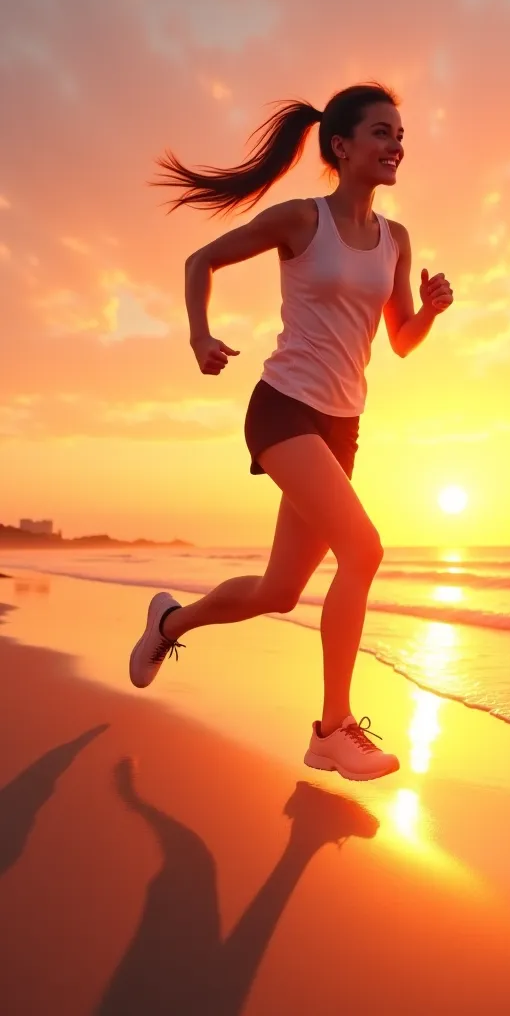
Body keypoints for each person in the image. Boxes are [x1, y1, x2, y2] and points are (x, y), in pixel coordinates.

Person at [129, 82, 454, 781]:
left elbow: (399, 341)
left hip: (341, 428)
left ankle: (168, 624)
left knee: (280, 592)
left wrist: (427, 312)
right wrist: (198, 336)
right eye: (381, 133)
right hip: (282, 408)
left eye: (400, 135)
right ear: (341, 145)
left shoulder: (395, 238)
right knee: (363, 551)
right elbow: (200, 262)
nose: (397, 145)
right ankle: (332, 729)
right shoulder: (302, 221)